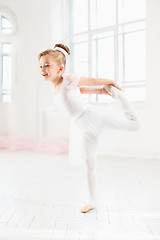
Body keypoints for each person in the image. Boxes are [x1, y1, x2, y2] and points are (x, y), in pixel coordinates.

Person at [38, 43, 140, 213]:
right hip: (81, 127)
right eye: (41, 66)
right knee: (89, 163)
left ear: (60, 68)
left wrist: (110, 82)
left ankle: (122, 100)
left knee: (135, 126)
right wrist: (101, 91)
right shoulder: (54, 88)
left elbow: (91, 81)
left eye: (47, 65)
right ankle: (92, 200)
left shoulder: (68, 79)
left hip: (92, 117)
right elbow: (81, 90)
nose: (43, 69)